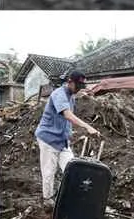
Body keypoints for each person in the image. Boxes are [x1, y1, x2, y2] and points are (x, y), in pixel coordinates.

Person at [34, 70, 100, 206]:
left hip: (62, 140)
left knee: (72, 167)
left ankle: (71, 195)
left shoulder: (71, 95)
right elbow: (67, 115)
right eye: (78, 86)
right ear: (70, 82)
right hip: (48, 138)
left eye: (81, 87)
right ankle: (47, 200)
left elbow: (66, 121)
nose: (79, 90)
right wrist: (87, 127)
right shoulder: (59, 94)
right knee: (49, 171)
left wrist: (70, 133)